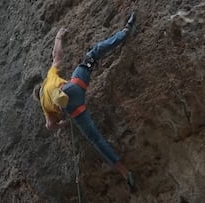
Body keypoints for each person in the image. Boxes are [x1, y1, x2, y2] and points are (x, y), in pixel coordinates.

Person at [33, 12, 137, 190]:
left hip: (75, 108)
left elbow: (49, 126)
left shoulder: (44, 105)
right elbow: (57, 56)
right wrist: (58, 37)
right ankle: (125, 32)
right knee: (93, 55)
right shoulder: (49, 78)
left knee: (96, 139)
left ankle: (125, 173)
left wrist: (62, 124)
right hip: (73, 87)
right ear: (40, 86)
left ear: (39, 97)